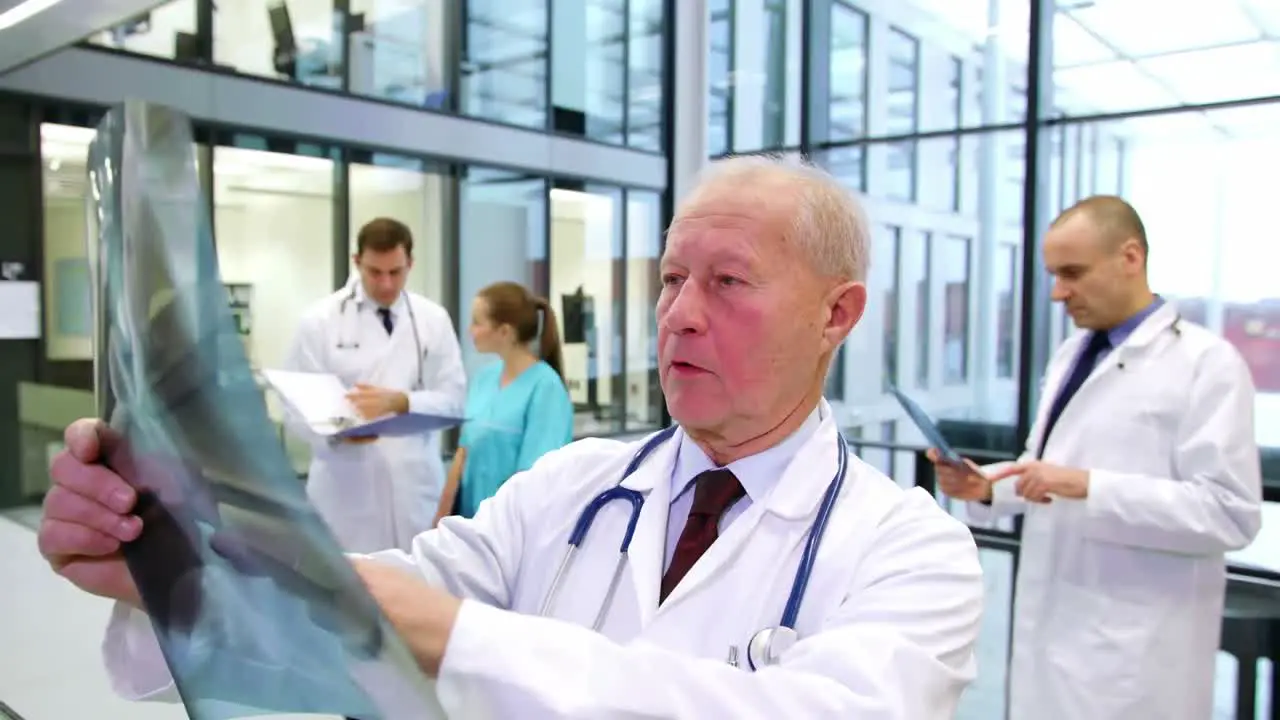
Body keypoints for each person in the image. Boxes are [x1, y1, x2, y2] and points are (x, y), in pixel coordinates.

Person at [41, 155, 985, 718]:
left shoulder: (911, 551)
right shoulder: (572, 488)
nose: (679, 317)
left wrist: (450, 636)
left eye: (727, 283)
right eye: (668, 280)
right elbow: (383, 600)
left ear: (836, 313)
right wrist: (165, 557)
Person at [929, 195, 1262, 720]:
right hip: (1054, 626)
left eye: (1073, 273)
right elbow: (1045, 465)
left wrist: (1089, 486)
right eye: (1053, 275)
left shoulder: (1207, 363)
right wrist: (988, 486)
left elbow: (1229, 513)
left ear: (1130, 257)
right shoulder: (1072, 355)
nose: (1059, 293)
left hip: (1138, 652)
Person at [281, 217, 467, 552]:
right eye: (374, 272)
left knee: (415, 588)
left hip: (415, 487)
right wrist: (339, 433)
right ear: (357, 263)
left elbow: (454, 400)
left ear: (410, 263)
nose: (385, 283)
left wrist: (404, 403)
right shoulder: (319, 322)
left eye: (395, 272)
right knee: (347, 592)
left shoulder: (432, 320)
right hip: (346, 487)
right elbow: (294, 409)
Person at [434, 281, 574, 524]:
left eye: (477, 322)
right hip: (470, 526)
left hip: (514, 530)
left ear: (505, 332)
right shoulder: (484, 379)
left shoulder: (545, 388)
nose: (470, 330)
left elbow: (535, 479)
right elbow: (463, 452)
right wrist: (440, 518)